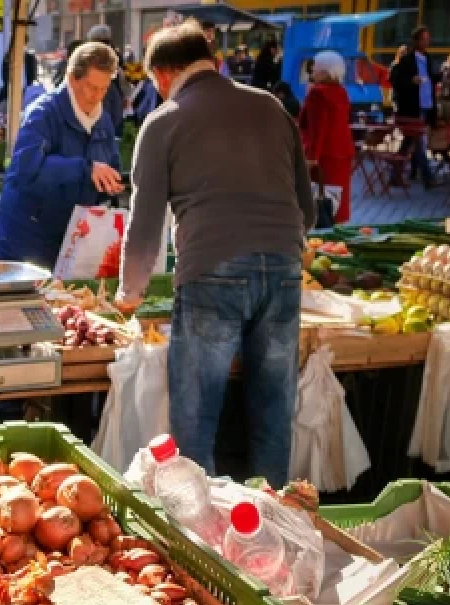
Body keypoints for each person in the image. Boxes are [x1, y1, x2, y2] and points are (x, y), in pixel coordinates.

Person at [116, 20, 316, 486]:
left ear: (163, 76)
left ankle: (199, 536)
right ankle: (274, 524)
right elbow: (305, 209)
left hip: (212, 271)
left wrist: (130, 295)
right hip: (284, 267)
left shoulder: (164, 120)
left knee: (196, 412)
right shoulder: (271, 107)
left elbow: (145, 224)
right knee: (273, 408)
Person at [0, 42, 123, 267]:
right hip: (27, 241)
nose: (97, 96)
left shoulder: (104, 122)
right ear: (72, 79)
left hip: (72, 239)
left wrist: (112, 184)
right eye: (92, 87)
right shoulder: (42, 114)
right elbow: (26, 172)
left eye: (104, 88)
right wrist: (85, 169)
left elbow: (110, 167)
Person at [300, 51, 355, 223]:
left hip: (323, 155)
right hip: (342, 151)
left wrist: (311, 158)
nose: (312, 72)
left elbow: (318, 128)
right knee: (338, 198)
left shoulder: (317, 93)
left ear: (325, 71)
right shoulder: (341, 92)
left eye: (315, 68)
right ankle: (338, 230)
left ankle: (322, 233)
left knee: (319, 198)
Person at [390, 26, 438, 187]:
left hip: (426, 105)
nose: (426, 42)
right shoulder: (407, 59)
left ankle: (396, 175)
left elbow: (431, 79)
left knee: (410, 141)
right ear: (416, 41)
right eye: (423, 39)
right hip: (412, 107)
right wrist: (411, 81)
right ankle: (427, 178)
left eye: (428, 39)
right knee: (418, 142)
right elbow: (396, 81)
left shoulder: (428, 59)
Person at [87, 24, 130, 138]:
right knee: (113, 120)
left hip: (102, 91)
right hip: (114, 91)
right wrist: (126, 95)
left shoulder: (91, 53)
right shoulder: (115, 52)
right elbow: (123, 74)